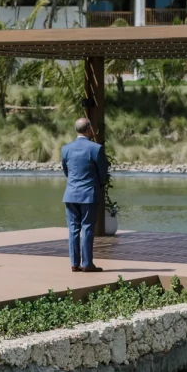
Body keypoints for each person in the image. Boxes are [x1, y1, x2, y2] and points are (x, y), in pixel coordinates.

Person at [60, 117, 107, 273]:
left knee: (73, 229)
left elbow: (66, 171)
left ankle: (74, 264)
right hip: (88, 194)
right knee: (87, 229)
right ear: (89, 130)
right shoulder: (96, 148)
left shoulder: (65, 149)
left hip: (71, 194)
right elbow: (103, 175)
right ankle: (87, 264)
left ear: (76, 130)